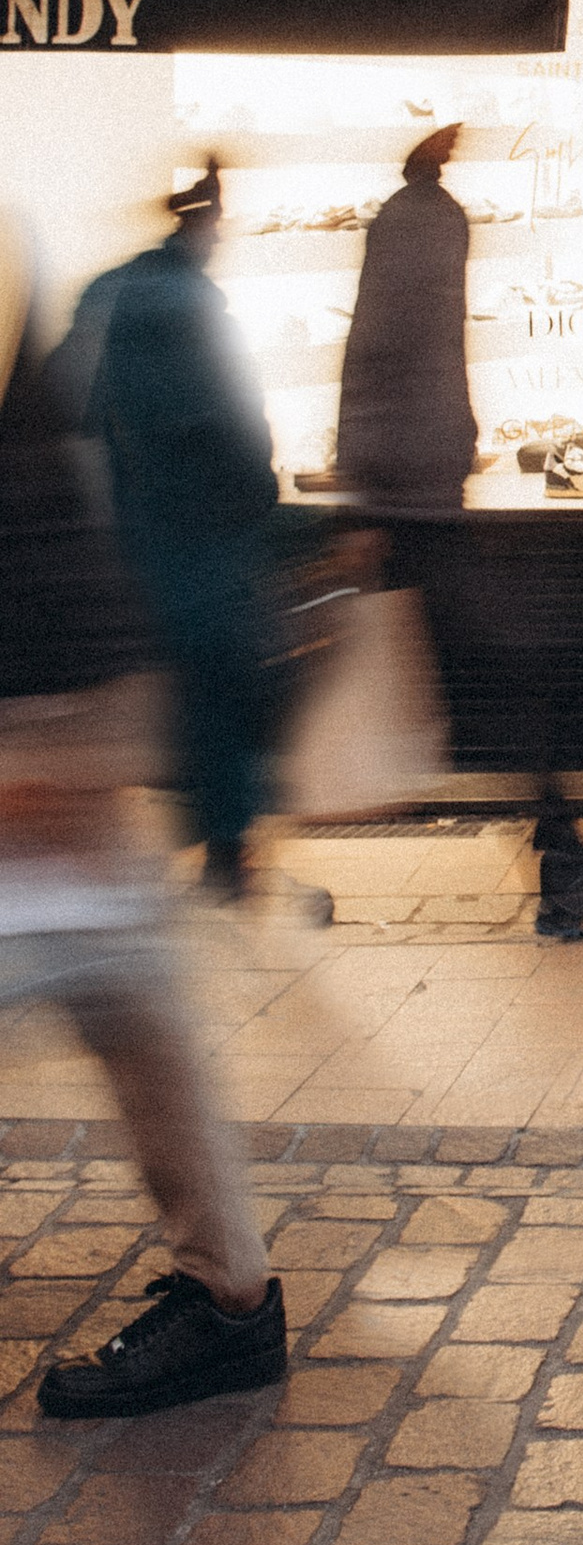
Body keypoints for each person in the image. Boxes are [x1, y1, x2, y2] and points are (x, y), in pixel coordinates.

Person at [0, 212, 286, 1420]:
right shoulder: (159, 306)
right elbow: (238, 453)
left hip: (50, 687)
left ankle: (229, 1300)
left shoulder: (113, 303)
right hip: (87, 660)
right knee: (129, 997)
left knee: (123, 985)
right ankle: (228, 1298)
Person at [336, 124, 583, 942]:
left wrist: (371, 488)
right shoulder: (425, 229)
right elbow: (397, 360)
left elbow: (381, 358)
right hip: (416, 498)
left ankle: (564, 856)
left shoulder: (407, 229)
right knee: (496, 678)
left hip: (408, 499)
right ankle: (563, 854)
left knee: (487, 682)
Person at [84, 168, 282, 902]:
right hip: (207, 532)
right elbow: (240, 416)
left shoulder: (105, 297)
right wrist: (261, 490)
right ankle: (226, 850)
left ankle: (141, 842)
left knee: (163, 691)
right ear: (202, 230)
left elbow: (79, 411)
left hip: (133, 532)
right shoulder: (200, 306)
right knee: (222, 687)